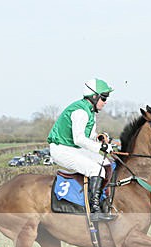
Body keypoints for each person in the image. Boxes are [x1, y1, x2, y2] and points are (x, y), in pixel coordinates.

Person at [47, 78, 115, 221]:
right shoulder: (80, 111)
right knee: (97, 170)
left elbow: (89, 137)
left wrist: (99, 138)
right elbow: (79, 139)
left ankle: (103, 201)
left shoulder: (90, 111)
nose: (105, 101)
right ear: (94, 96)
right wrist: (100, 147)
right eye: (104, 98)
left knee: (106, 163)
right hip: (61, 149)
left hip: (72, 148)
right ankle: (94, 210)